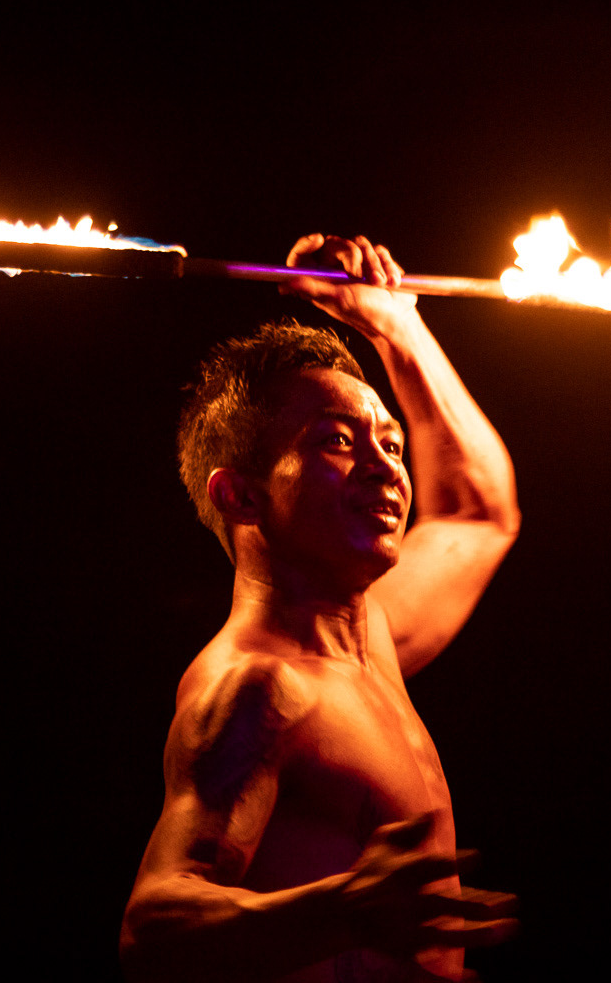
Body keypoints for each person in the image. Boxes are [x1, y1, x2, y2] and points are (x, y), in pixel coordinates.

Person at [121, 234, 522, 982]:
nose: (385, 469)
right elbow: (154, 931)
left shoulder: (370, 637)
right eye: (339, 442)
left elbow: (477, 512)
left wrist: (395, 324)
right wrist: (345, 911)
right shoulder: (258, 688)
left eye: (392, 444)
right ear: (241, 495)